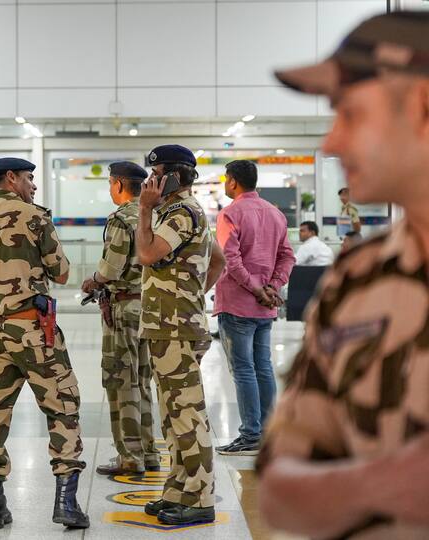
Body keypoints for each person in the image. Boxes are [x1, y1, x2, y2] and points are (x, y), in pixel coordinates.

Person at [257, 11, 429, 539]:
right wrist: (381, 484)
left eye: (349, 114)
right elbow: (277, 492)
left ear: (423, 106)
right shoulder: (357, 279)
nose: (331, 142)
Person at [0, 157, 89, 530]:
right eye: (29, 178)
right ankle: (66, 503)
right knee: (63, 405)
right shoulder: (34, 217)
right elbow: (61, 273)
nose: (33, 185)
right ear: (10, 178)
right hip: (33, 331)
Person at [136, 144, 226, 526]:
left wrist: (143, 209)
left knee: (187, 414)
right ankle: (180, 489)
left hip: (174, 327)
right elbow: (218, 260)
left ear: (172, 176)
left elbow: (148, 254)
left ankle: (201, 497)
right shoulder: (179, 211)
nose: (149, 182)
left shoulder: (180, 211)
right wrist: (191, 294)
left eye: (155, 174)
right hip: (172, 324)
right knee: (174, 415)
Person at [80, 161, 160, 476]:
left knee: (121, 381)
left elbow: (110, 269)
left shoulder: (121, 218)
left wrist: (93, 281)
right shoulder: (153, 215)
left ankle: (130, 456)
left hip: (123, 308)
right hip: (149, 307)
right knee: (142, 381)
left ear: (117, 184)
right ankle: (149, 451)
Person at [213, 160, 296, 456]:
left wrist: (256, 288)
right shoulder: (275, 213)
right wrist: (272, 287)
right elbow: (288, 257)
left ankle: (250, 434)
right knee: (263, 366)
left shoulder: (230, 214)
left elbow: (231, 261)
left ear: (233, 182)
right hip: (266, 306)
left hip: (238, 304)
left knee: (243, 370)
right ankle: (268, 433)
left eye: (226, 179)